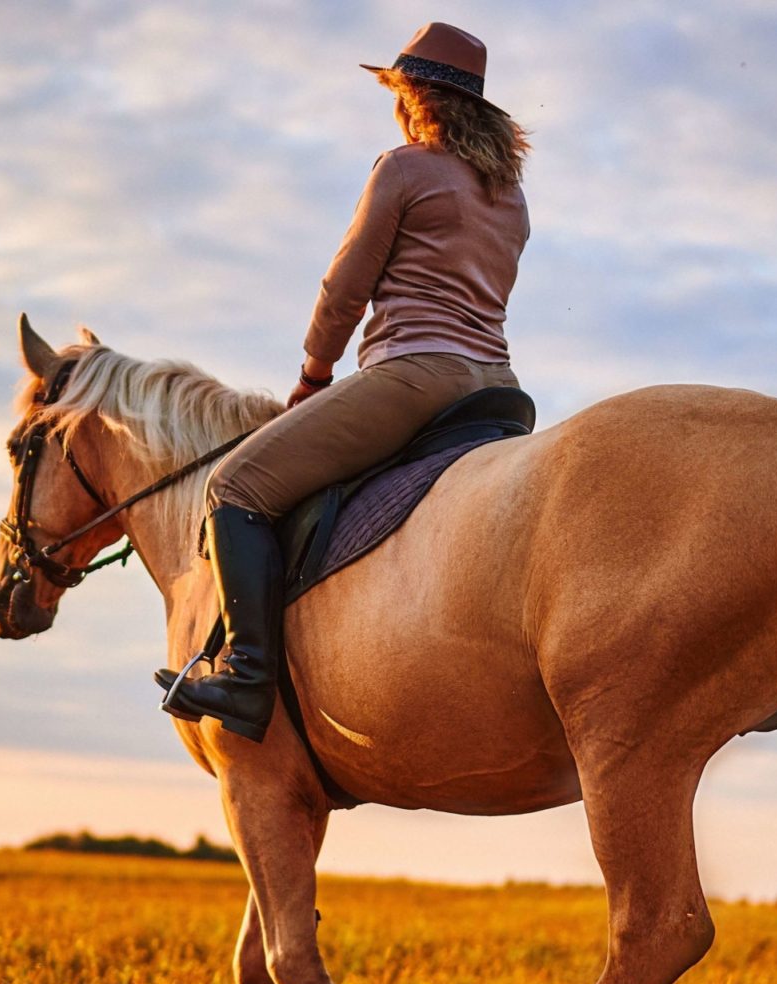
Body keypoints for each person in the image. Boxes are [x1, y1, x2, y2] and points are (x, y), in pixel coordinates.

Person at [159, 21, 533, 742]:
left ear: (414, 95)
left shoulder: (404, 167)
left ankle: (246, 677)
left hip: (414, 377)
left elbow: (345, 288)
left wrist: (313, 373)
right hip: (500, 390)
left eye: (398, 91)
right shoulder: (510, 197)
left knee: (232, 489)